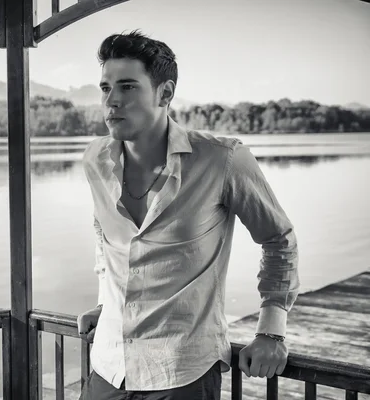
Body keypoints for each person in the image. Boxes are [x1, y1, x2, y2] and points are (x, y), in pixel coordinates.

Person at [77, 30, 300, 400]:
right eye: (105, 88)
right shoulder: (95, 160)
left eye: (128, 87)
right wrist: (107, 302)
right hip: (108, 364)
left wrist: (271, 330)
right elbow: (105, 237)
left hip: (183, 371)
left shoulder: (222, 159)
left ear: (164, 93)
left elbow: (278, 239)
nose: (111, 101)